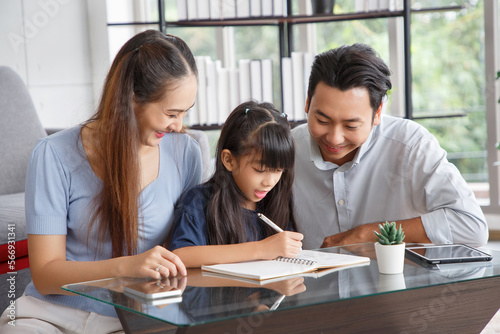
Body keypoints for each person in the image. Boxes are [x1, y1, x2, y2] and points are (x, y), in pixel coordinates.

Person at [0, 30, 202, 333]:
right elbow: (44, 274)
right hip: (48, 313)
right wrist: (124, 268)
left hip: (131, 318)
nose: (179, 125)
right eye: (171, 113)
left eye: (185, 112)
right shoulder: (53, 156)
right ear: (133, 97)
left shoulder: (186, 154)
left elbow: (189, 252)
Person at [292, 43, 488, 250]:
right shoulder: (288, 149)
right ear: (307, 103)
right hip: (311, 282)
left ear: (377, 114)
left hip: (400, 281)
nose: (334, 138)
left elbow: (471, 226)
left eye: (351, 125)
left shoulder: (410, 145)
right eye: (322, 121)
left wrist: (367, 233)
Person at [169, 101, 303, 267]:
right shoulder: (199, 202)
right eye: (260, 170)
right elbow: (181, 256)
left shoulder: (275, 202)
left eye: (278, 170)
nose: (270, 182)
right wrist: (261, 249)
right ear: (229, 160)